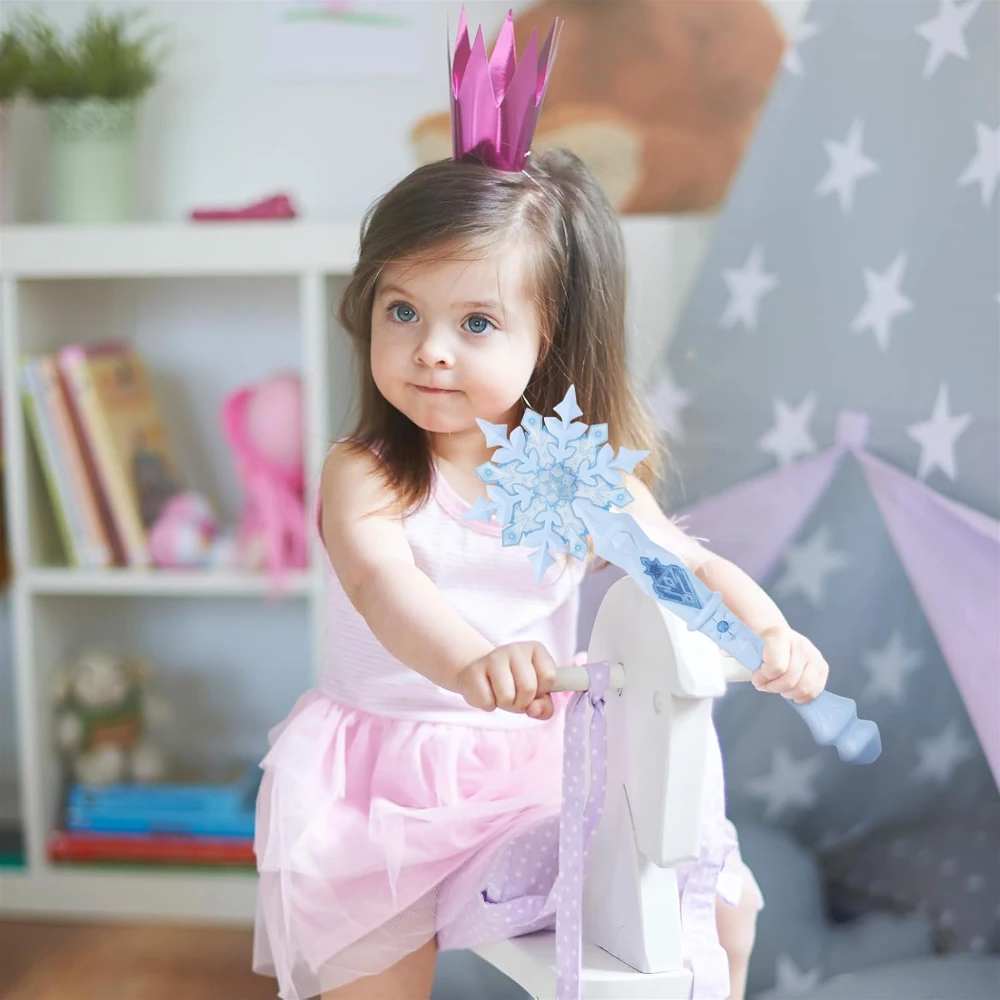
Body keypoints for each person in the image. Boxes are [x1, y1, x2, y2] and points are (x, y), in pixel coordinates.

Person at [253, 12, 829, 1000]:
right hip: (384, 783)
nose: (431, 350)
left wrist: (765, 629)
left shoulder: (566, 475)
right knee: (372, 980)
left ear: (547, 337)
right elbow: (386, 586)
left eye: (476, 322)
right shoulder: (369, 471)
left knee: (712, 896)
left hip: (533, 773)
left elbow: (678, 565)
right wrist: (471, 658)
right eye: (403, 311)